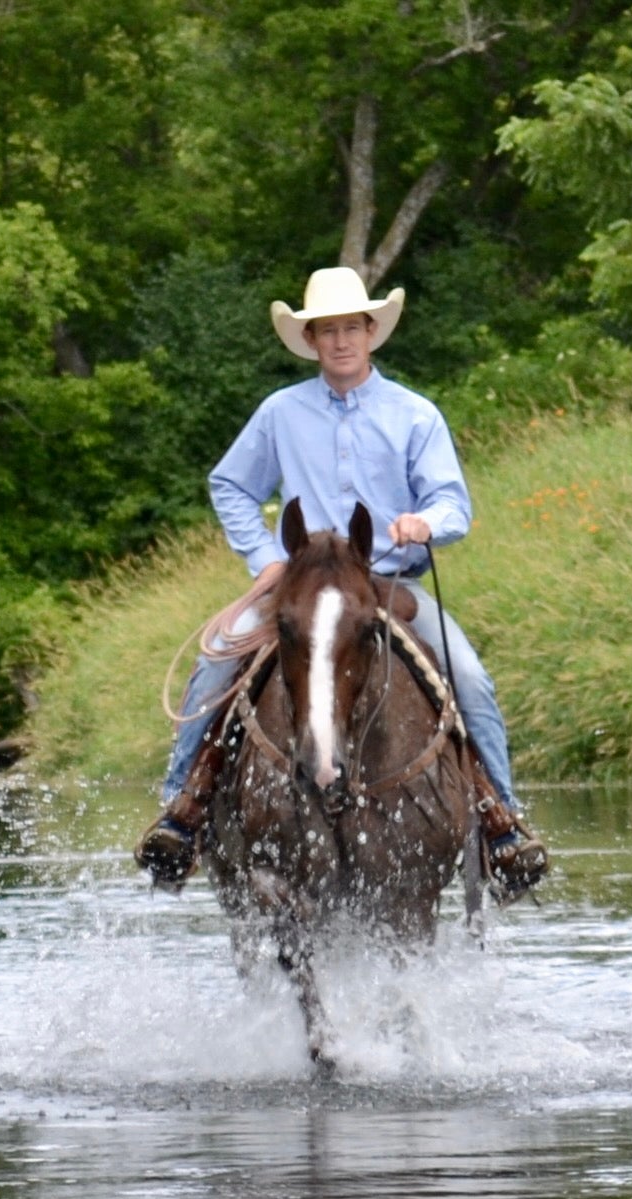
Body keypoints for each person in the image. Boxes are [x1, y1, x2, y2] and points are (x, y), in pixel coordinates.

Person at [133, 266, 550, 900]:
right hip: (298, 588)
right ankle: (181, 813)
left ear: (371, 331)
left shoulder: (415, 414)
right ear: (312, 340)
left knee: (469, 677)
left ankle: (501, 821)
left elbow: (453, 505)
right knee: (213, 666)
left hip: (383, 585)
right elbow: (230, 484)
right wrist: (263, 560)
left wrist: (423, 522)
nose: (340, 341)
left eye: (351, 327)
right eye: (326, 331)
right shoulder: (280, 413)